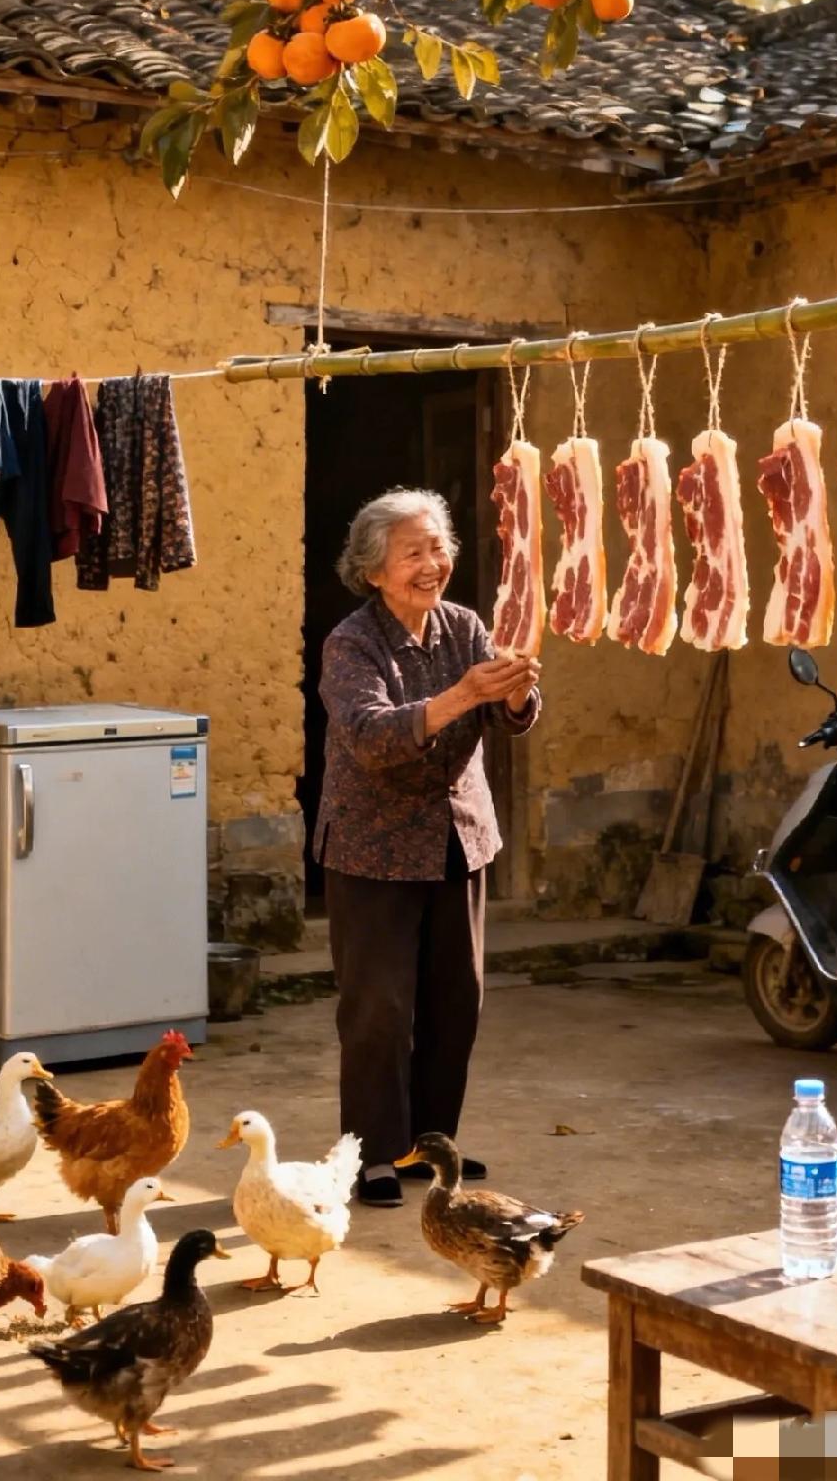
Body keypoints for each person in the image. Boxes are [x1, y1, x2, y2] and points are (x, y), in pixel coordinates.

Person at [317, 488, 541, 1207]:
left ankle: (429, 1146)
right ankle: (375, 1154)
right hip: (373, 849)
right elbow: (373, 734)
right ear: (374, 570)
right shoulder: (352, 643)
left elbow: (511, 721)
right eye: (412, 552)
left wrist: (513, 696)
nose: (432, 563)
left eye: (438, 548)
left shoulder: (465, 627)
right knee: (378, 1006)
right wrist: (463, 696)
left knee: (457, 1000)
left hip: (457, 838)